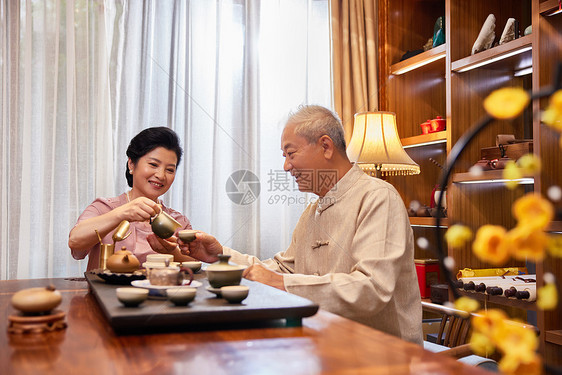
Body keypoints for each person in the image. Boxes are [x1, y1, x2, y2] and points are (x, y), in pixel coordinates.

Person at [179, 105, 423, 345]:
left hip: (382, 355)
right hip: (325, 344)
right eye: (284, 156)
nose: (286, 167)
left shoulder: (378, 197)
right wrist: (220, 254)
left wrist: (280, 283)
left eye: (291, 153)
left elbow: (371, 289)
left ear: (326, 146)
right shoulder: (312, 211)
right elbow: (283, 269)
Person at [69, 127, 195, 271]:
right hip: (105, 293)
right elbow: (75, 242)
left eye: (170, 170)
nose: (161, 175)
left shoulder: (178, 222)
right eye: (153, 164)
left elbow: (194, 263)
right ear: (131, 164)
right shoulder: (103, 208)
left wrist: (171, 251)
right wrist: (121, 213)